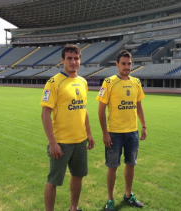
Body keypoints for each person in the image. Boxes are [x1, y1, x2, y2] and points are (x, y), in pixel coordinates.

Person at [40, 44, 94, 211]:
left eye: (76, 58)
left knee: (78, 176)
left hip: (80, 141)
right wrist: (53, 143)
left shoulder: (83, 82)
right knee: (53, 181)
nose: (73, 62)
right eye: (69, 58)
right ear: (62, 60)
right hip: (61, 142)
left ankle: (74, 208)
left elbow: (83, 109)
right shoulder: (53, 82)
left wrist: (89, 134)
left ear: (80, 60)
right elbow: (45, 114)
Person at [96, 50, 147, 211]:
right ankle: (110, 199)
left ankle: (128, 195)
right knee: (112, 166)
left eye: (129, 63)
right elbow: (100, 110)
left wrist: (143, 126)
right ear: (117, 64)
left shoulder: (136, 82)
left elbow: (138, 106)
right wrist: (105, 133)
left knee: (131, 164)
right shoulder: (109, 82)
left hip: (132, 132)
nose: (126, 66)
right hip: (114, 133)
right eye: (123, 63)